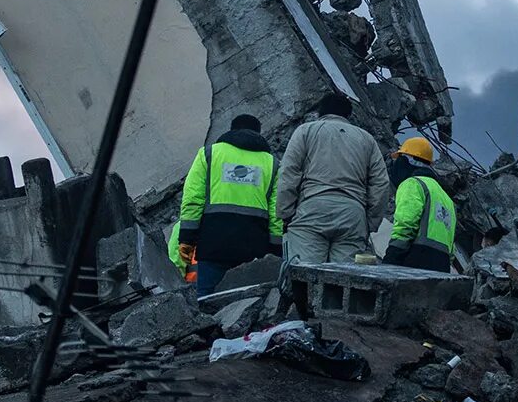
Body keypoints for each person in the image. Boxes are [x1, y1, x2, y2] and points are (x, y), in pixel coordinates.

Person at [277, 93, 390, 265]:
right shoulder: (366, 139)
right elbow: (381, 184)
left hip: (312, 208)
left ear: (320, 112)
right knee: (344, 280)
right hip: (353, 214)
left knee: (305, 276)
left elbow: (289, 173)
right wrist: (370, 223)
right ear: (348, 115)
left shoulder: (306, 131)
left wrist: (286, 214)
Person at [176, 114, 281, 297]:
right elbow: (276, 211)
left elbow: (193, 199)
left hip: (213, 243)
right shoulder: (272, 163)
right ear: (258, 134)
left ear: (232, 130)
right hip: (254, 246)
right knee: (249, 300)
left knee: (206, 299)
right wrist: (275, 247)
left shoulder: (209, 153)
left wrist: (186, 238)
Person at [383, 137, 456, 272]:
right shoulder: (446, 198)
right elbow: (451, 244)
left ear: (406, 160)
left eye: (399, 159)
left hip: (415, 261)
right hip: (442, 266)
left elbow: (406, 224)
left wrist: (392, 257)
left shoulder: (413, 184)